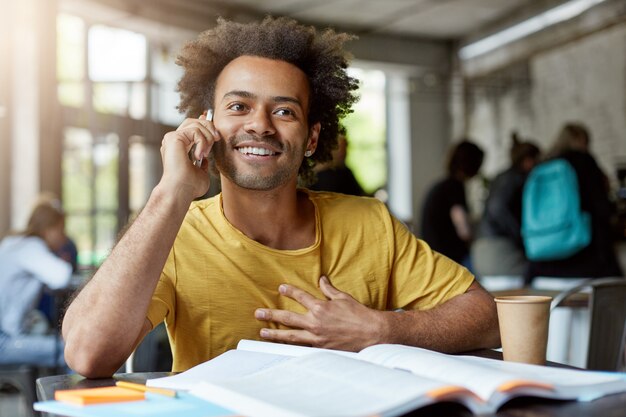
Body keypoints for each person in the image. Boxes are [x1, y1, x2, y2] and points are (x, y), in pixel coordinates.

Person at [62, 16, 499, 378]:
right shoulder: (174, 233)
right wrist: (170, 192)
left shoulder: (370, 224)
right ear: (207, 124)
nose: (261, 125)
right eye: (238, 107)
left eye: (284, 111)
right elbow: (88, 354)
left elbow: (489, 317)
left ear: (310, 139)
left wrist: (383, 328)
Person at [527, 122, 622, 282]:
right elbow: (602, 208)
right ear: (580, 139)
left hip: (542, 264)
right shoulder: (583, 161)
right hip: (587, 261)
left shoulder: (541, 167)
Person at [0, 195, 73, 368]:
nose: (64, 238)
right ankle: (74, 395)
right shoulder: (30, 246)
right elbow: (61, 277)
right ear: (48, 230)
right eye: (61, 230)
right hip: (5, 341)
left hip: (7, 336)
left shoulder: (13, 243)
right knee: (72, 351)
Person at [472, 133, 541, 278]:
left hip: (480, 250)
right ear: (528, 161)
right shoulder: (517, 178)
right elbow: (498, 208)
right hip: (499, 251)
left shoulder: (500, 177)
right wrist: (520, 236)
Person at [420, 140, 484, 268]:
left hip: (433, 254)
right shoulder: (454, 187)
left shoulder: (443, 185)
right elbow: (463, 228)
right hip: (448, 257)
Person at [308, 125, 365, 196]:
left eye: (345, 148)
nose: (343, 152)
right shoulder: (319, 174)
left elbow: (360, 195)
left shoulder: (344, 171)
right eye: (338, 148)